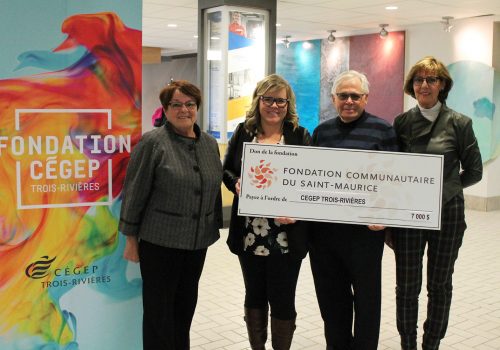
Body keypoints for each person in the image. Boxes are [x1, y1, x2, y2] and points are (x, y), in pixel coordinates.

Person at [119, 80, 223, 350]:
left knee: (185, 309)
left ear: (197, 107)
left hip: (196, 244)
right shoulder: (153, 142)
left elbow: (212, 189)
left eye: (189, 104)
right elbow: (135, 191)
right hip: (160, 244)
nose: (184, 109)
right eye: (176, 104)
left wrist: (213, 229)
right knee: (159, 314)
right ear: (165, 109)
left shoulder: (209, 144)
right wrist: (131, 239)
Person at [391, 56, 483, 350]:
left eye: (432, 79)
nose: (424, 85)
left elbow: (475, 171)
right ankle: (408, 343)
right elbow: (393, 169)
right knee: (407, 287)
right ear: (411, 85)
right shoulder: (402, 123)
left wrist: (443, 190)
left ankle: (432, 343)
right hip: (410, 213)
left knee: (439, 285)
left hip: (448, 213)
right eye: (419, 79)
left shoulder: (460, 123)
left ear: (442, 85)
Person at [309, 70, 398, 350]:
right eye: (343, 95)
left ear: (365, 98)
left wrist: (385, 216)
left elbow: (395, 181)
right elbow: (310, 178)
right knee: (331, 300)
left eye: (355, 96)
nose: (349, 101)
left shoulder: (383, 130)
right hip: (325, 236)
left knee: (367, 301)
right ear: (334, 99)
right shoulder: (321, 132)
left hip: (364, 235)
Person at [222, 74, 311, 350]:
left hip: (287, 233)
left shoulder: (299, 134)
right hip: (250, 231)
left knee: (283, 297)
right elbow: (227, 170)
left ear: (288, 103)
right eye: (268, 99)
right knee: (255, 294)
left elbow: (309, 180)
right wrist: (235, 182)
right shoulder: (243, 132)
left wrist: (297, 210)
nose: (274, 105)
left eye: (280, 100)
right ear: (259, 101)